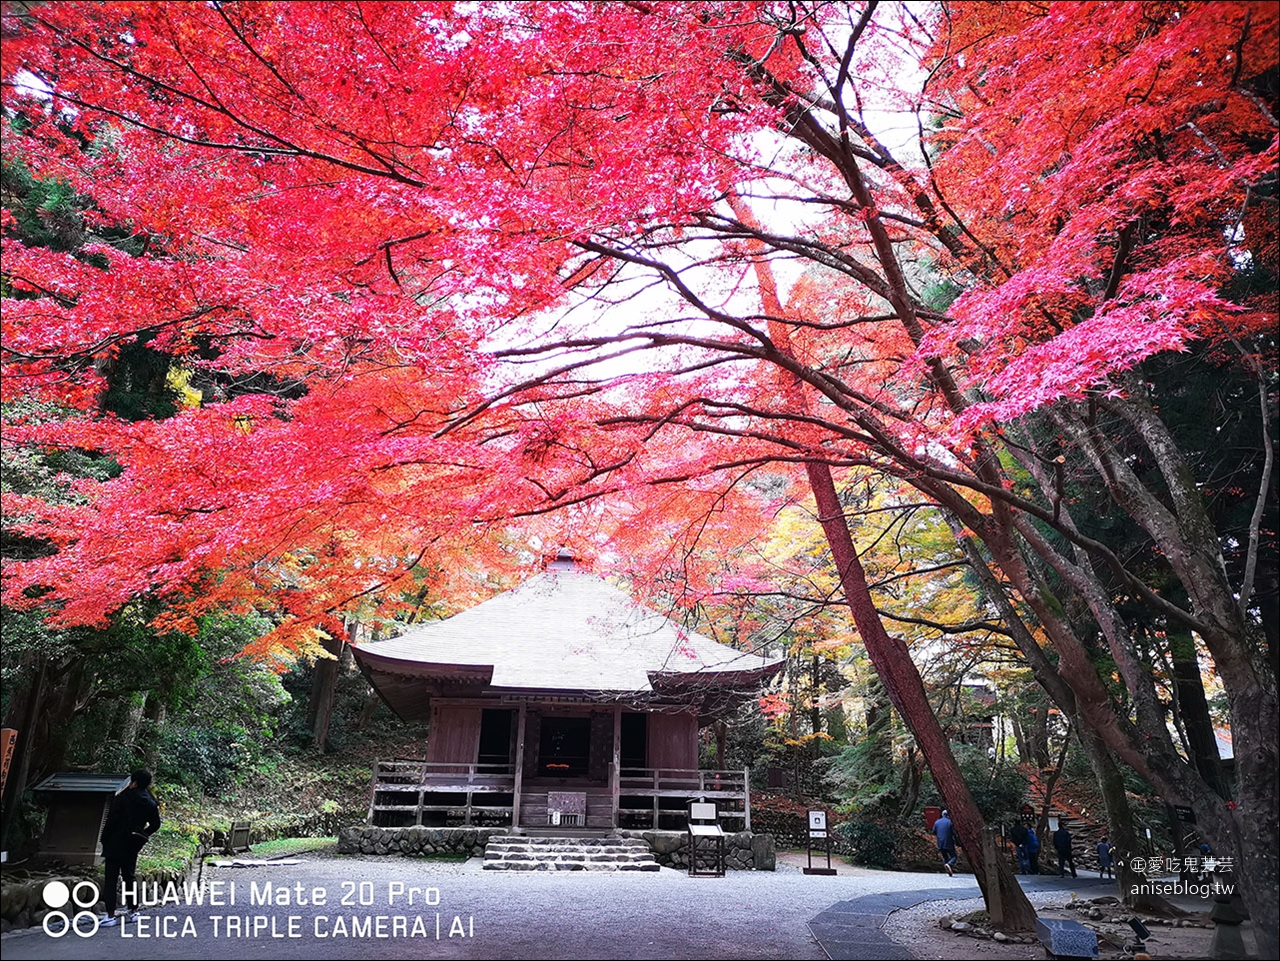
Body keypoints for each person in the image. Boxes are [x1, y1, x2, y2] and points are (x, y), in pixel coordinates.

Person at [99, 769, 162, 927]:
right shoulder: (150, 802)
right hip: (133, 843)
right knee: (130, 877)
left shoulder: (122, 798)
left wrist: (104, 839)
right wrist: (143, 834)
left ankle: (110, 915)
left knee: (111, 879)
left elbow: (111, 820)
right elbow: (156, 824)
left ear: (133, 782)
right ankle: (133, 911)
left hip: (115, 842)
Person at [933, 809, 958, 877]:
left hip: (940, 842)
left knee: (945, 856)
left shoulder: (937, 822)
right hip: (948, 842)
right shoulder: (950, 822)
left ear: (942, 814)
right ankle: (949, 865)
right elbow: (954, 833)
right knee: (954, 856)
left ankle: (948, 870)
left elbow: (934, 832)